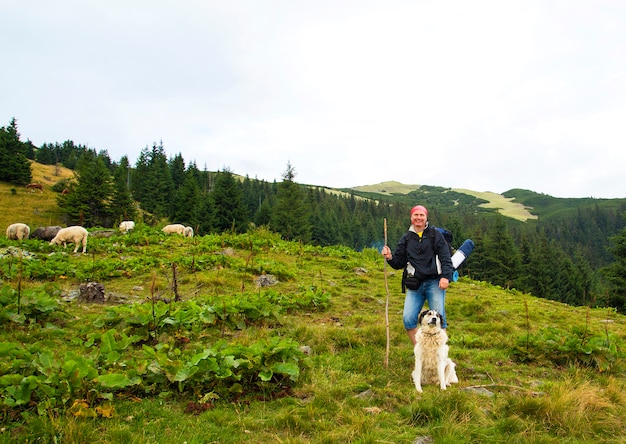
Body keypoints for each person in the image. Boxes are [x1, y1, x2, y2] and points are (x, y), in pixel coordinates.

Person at [381, 205, 454, 345]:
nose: (419, 218)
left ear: (426, 217)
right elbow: (399, 262)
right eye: (416, 215)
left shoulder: (435, 235)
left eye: (421, 215)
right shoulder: (406, 239)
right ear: (411, 218)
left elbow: (445, 257)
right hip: (415, 284)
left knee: (439, 320)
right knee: (408, 319)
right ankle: (421, 351)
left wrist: (446, 277)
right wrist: (389, 257)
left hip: (435, 283)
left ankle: (441, 355)